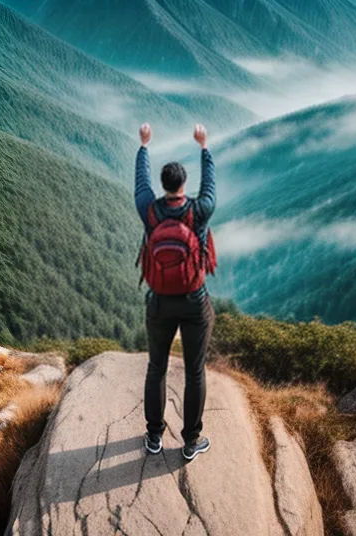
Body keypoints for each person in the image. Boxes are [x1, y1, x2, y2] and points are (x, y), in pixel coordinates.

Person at [135, 122, 216, 461]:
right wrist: (204, 148)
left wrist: (144, 146)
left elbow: (140, 183)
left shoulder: (149, 211)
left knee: (157, 367)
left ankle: (154, 436)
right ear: (183, 185)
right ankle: (190, 441)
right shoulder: (199, 211)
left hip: (159, 303)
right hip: (194, 301)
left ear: (163, 185)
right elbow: (210, 187)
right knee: (195, 371)